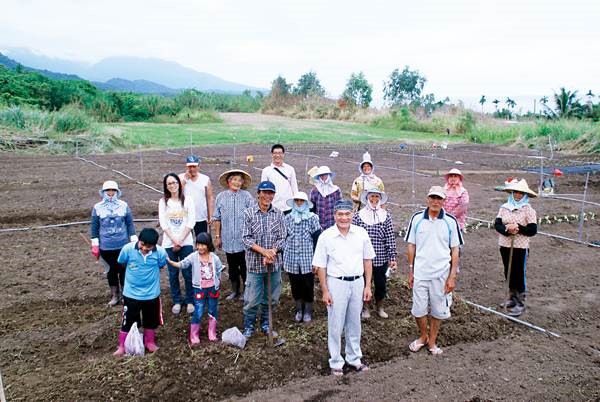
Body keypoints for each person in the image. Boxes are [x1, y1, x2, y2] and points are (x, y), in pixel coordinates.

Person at [313, 199, 375, 377]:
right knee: (336, 323)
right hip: (336, 283)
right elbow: (321, 266)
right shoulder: (326, 236)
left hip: (357, 282)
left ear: (352, 215)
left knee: (354, 323)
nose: (344, 218)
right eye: (340, 214)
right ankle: (336, 361)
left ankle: (354, 358)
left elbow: (367, 260)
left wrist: (368, 285)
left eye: (347, 214)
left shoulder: (361, 233)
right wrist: (325, 290)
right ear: (334, 216)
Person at [404, 186, 463, 356]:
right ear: (427, 199)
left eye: (439, 199)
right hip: (421, 272)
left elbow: (455, 250)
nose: (436, 201)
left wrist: (452, 276)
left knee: (438, 309)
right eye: (433, 198)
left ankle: (432, 340)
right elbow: (411, 245)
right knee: (418, 309)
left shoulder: (450, 221)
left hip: (441, 274)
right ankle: (423, 336)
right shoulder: (417, 219)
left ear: (444, 201)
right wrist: (411, 270)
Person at [241, 180, 286, 338]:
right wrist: (263, 252)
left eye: (270, 193)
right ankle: (249, 325)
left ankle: (266, 324)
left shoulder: (279, 214)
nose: (267, 196)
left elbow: (282, 238)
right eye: (264, 192)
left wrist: (272, 252)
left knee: (271, 298)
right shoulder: (249, 214)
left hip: (273, 265)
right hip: (254, 265)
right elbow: (246, 239)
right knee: (252, 299)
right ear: (258, 193)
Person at [113, 228, 167, 356]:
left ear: (154, 245)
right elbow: (121, 263)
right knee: (128, 321)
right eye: (142, 245)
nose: (144, 248)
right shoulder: (127, 249)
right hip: (131, 294)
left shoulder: (160, 253)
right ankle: (122, 346)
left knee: (150, 320)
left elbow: (161, 265)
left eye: (148, 247)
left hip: (151, 294)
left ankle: (149, 342)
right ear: (139, 240)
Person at [167, 233, 224, 344]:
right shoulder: (194, 256)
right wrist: (172, 262)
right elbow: (183, 264)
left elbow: (219, 269)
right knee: (198, 310)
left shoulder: (214, 258)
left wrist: (218, 282)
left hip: (212, 288)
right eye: (198, 245)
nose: (200, 247)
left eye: (203, 245)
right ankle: (194, 335)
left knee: (213, 310)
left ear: (208, 245)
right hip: (199, 289)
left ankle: (212, 333)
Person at [494, 179, 537, 317]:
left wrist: (518, 228)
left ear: (525, 195)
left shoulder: (528, 210)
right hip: (505, 245)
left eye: (521, 193)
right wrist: (507, 229)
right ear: (512, 193)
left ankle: (520, 302)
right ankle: (511, 299)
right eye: (516, 192)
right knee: (509, 272)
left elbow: (532, 230)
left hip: (520, 247)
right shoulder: (504, 207)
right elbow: (497, 224)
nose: (518, 195)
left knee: (519, 274)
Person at [90, 180, 137, 307]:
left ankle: (125, 295)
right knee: (111, 271)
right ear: (103, 192)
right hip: (106, 246)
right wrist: (95, 244)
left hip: (122, 245)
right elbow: (94, 227)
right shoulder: (97, 208)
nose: (110, 193)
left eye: (113, 191)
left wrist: (133, 240)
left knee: (123, 270)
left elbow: (129, 224)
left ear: (117, 192)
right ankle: (115, 295)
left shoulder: (124, 206)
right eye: (108, 191)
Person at [352, 189, 397, 319]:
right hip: (363, 258)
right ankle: (365, 307)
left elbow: (390, 237)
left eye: (377, 196)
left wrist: (392, 257)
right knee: (365, 283)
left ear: (380, 199)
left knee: (380, 284)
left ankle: (380, 307)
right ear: (367, 198)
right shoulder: (358, 216)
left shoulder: (385, 215)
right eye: (372, 196)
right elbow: (354, 238)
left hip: (380, 258)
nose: (374, 199)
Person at [213, 169, 255, 301]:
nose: (237, 182)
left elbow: (253, 216)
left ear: (242, 183)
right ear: (228, 181)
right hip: (227, 239)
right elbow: (217, 218)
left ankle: (246, 291)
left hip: (243, 240)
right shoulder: (221, 197)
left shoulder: (247, 196)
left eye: (239, 180)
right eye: (234, 179)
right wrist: (218, 236)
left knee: (244, 266)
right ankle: (235, 290)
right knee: (232, 267)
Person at [159, 173, 196, 315]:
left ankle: (190, 300)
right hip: (169, 243)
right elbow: (163, 223)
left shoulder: (188, 200)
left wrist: (180, 240)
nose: (172, 186)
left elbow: (190, 221)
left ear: (179, 184)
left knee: (187, 272)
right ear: (166, 186)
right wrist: (174, 240)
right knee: (173, 273)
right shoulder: (163, 202)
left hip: (185, 242)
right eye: (169, 184)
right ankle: (177, 301)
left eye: (174, 182)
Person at [283, 192, 321, 323]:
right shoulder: (288, 217)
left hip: (307, 258)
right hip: (291, 257)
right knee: (295, 284)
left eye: (302, 201)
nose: (299, 203)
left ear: (306, 203)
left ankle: (308, 310)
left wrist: (317, 260)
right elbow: (284, 237)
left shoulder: (312, 218)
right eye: (297, 201)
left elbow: (317, 239)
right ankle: (299, 309)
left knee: (307, 284)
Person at [179, 155, 214, 235]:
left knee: (201, 241)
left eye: (194, 166)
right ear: (186, 167)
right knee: (186, 241)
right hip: (185, 217)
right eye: (190, 167)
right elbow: (177, 193)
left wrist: (210, 215)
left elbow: (210, 198)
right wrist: (185, 179)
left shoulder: (205, 179)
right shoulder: (180, 178)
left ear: (198, 166)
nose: (192, 169)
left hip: (201, 216)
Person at [261, 144, 298, 214]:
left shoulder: (290, 169)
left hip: (289, 207)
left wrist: (296, 204)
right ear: (272, 154)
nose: (277, 155)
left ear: (283, 154)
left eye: (280, 153)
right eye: (275, 153)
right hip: (273, 207)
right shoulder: (266, 171)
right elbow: (263, 190)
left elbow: (294, 187)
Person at [310, 165, 342, 230]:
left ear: (329, 176)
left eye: (325, 175)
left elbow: (340, 207)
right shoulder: (315, 190)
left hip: (332, 223)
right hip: (319, 223)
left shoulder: (336, 190)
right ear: (319, 177)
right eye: (321, 175)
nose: (323, 177)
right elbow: (312, 208)